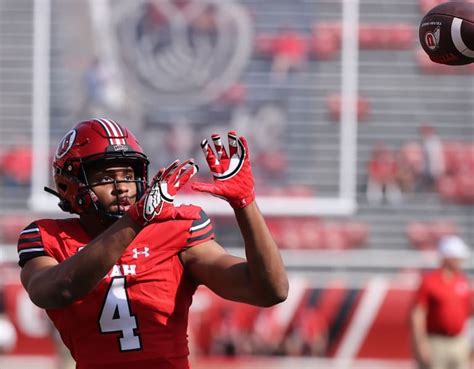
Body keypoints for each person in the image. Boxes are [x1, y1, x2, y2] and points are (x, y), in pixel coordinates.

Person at [17, 118, 288, 369]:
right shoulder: (47, 236)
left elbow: (269, 290)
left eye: (127, 175)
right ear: (69, 186)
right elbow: (57, 291)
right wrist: (135, 221)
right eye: (105, 178)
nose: (121, 186)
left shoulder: (174, 228)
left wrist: (245, 204)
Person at [410, 235, 472, 369]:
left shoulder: (462, 281)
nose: (460, 261)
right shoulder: (429, 281)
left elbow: (468, 314)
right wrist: (420, 343)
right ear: (447, 257)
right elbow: (418, 314)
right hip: (435, 342)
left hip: (458, 342)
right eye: (457, 257)